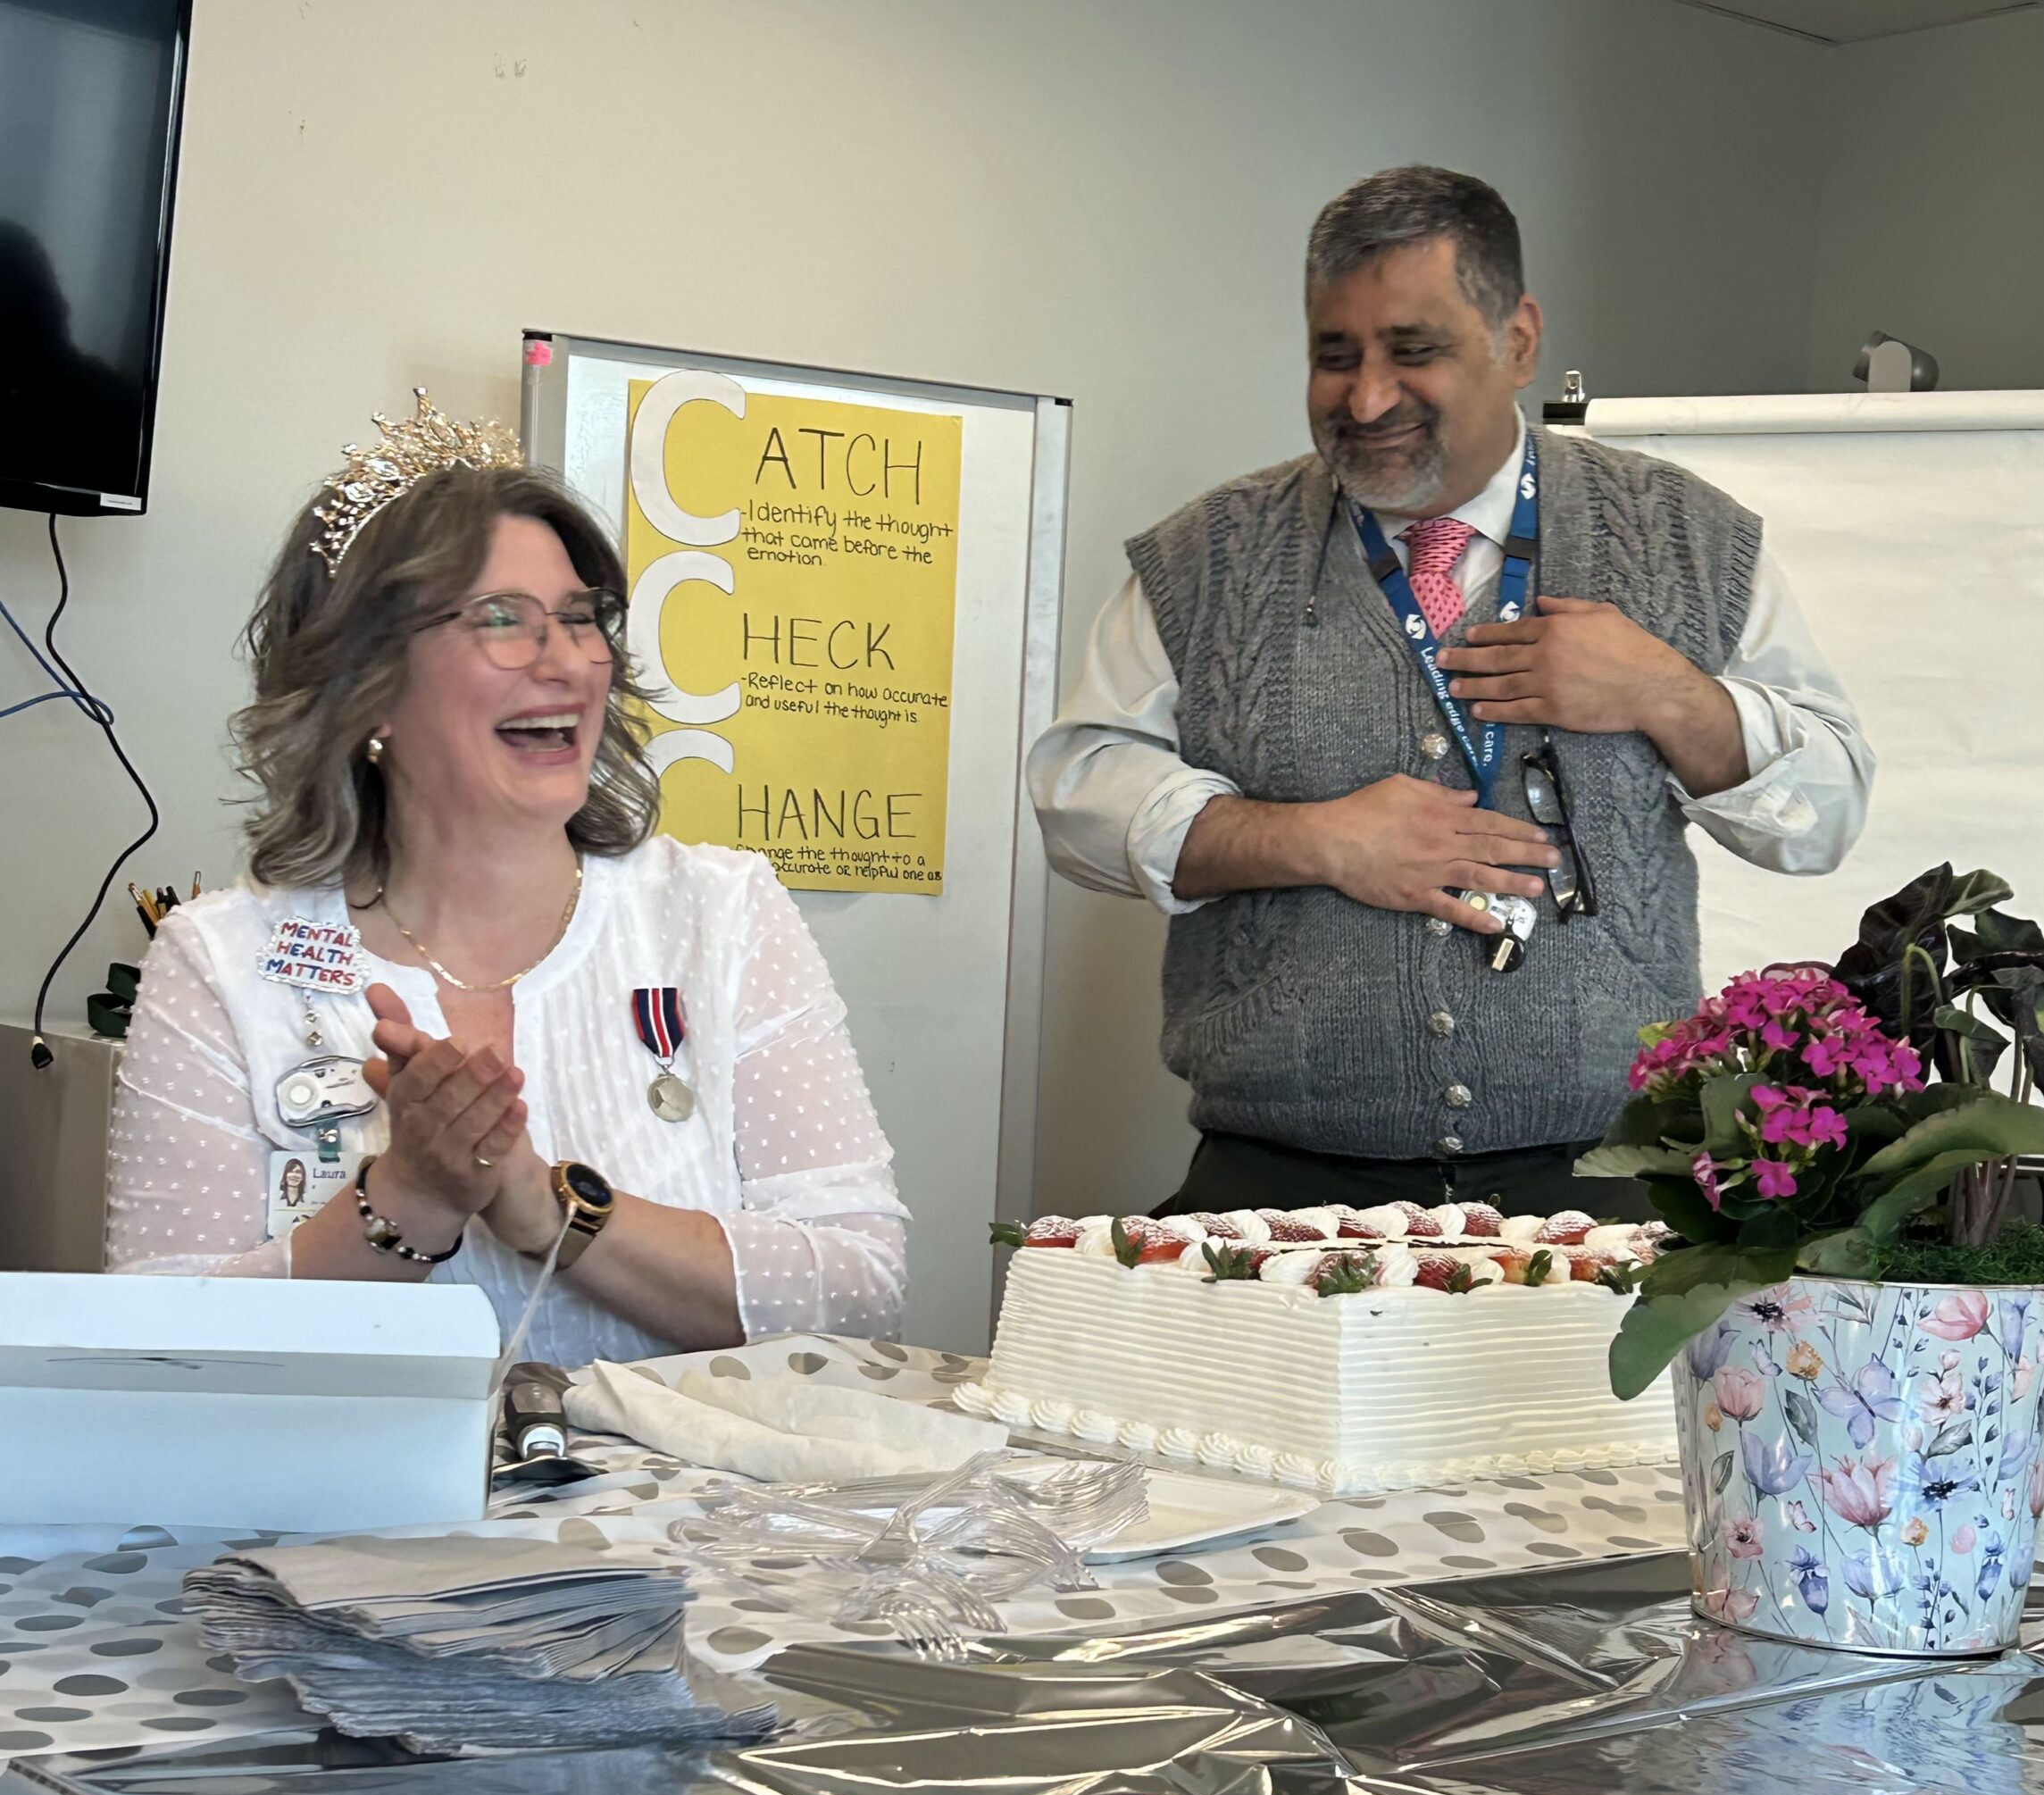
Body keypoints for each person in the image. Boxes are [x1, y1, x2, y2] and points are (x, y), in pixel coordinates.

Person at [1030, 167, 1873, 1219]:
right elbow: (1076, 793)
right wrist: (1318, 842)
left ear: (1517, 340)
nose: (1367, 397)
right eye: (1335, 356)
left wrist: (1671, 695)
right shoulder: (1209, 557)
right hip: (1277, 1193)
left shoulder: (1692, 540)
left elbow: (1826, 810)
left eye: (1412, 351)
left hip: (1607, 1193)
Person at [108, 392, 906, 1365]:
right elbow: (153, 1350)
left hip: (693, 1522)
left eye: (579, 618)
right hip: (349, 1522)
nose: (567, 661)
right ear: (370, 684)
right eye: (503, 620)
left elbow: (862, 1292)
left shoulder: (721, 914)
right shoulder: (223, 962)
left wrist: (549, 1210)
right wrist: (405, 1202)